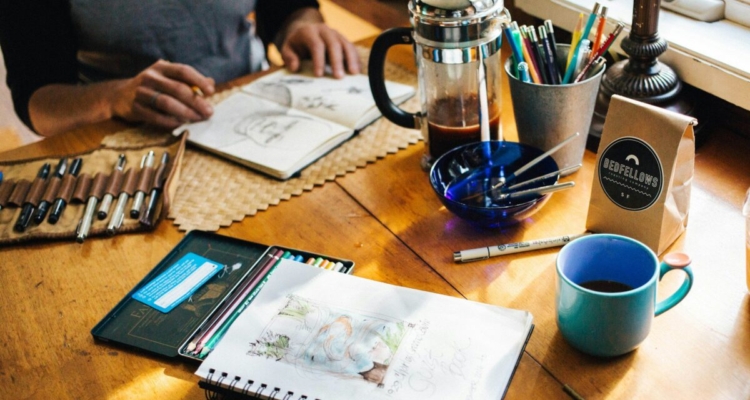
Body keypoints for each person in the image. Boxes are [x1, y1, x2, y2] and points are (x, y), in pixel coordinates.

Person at [0, 0, 360, 137]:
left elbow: (287, 8)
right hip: (125, 135)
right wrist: (114, 98)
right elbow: (38, 100)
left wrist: (300, 26)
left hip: (250, 103)